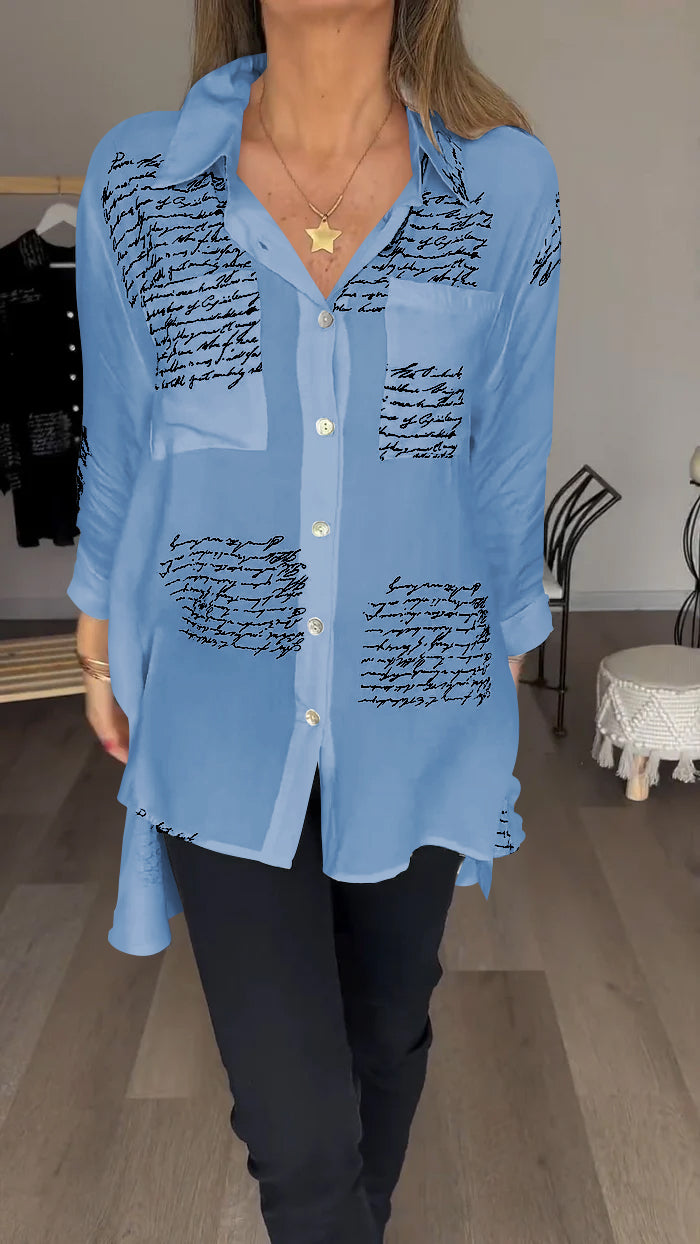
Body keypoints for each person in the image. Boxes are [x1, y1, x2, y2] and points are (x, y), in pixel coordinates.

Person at [70, 1, 562, 1240]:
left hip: (419, 697)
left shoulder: (502, 186)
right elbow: (120, 440)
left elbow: (506, 450)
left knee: (382, 1040)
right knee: (296, 1130)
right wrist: (95, 628)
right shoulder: (142, 178)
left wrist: (509, 645)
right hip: (217, 700)